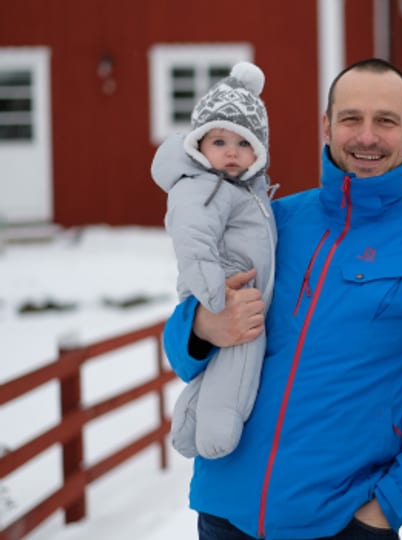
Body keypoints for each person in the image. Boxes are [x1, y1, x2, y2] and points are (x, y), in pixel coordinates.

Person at [161, 58, 402, 539]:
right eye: (351, 119)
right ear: (327, 127)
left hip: (340, 524)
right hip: (224, 515)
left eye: (385, 121)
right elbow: (182, 348)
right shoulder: (271, 222)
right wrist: (203, 329)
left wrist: (386, 508)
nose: (366, 136)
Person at [152, 61, 277, 460]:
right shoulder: (201, 187)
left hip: (233, 292)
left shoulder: (245, 192)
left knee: (225, 366)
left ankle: (189, 428)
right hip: (222, 289)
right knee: (238, 360)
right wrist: (214, 298)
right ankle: (215, 432)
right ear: (199, 145)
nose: (232, 154)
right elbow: (191, 236)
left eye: (244, 145)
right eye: (219, 143)